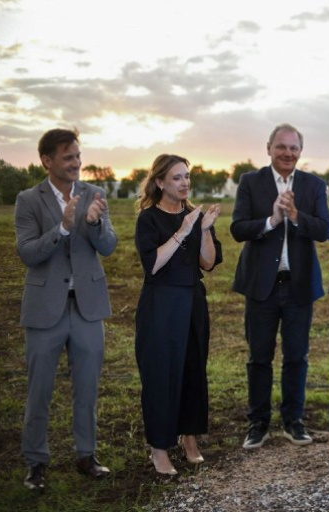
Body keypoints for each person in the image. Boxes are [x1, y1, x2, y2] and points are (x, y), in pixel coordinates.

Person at [15, 128, 118, 491]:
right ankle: (36, 463)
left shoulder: (95, 194)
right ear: (47, 160)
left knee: (87, 388)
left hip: (88, 308)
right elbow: (27, 252)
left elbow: (108, 246)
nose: (76, 162)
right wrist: (62, 226)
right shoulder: (28, 199)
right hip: (45, 311)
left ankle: (86, 456)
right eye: (68, 157)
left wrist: (92, 222)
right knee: (39, 389)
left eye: (78, 155)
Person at [231, 123, 329, 450]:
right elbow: (237, 229)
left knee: (297, 356)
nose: (288, 153)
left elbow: (323, 230)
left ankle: (294, 419)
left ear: (300, 151)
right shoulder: (250, 182)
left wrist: (296, 214)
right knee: (259, 356)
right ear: (269, 148)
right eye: (281, 147)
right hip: (262, 286)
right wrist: (273, 220)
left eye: (293, 148)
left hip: (299, 285)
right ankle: (258, 422)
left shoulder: (314, 185)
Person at [134, 154, 223, 475]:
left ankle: (190, 440)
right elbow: (153, 265)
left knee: (192, 371)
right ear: (159, 182)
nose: (185, 182)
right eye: (176, 177)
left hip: (192, 301)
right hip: (160, 305)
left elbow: (208, 264)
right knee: (161, 374)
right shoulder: (148, 219)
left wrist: (205, 230)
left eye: (187, 176)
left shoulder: (196, 216)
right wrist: (183, 230)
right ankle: (159, 449)